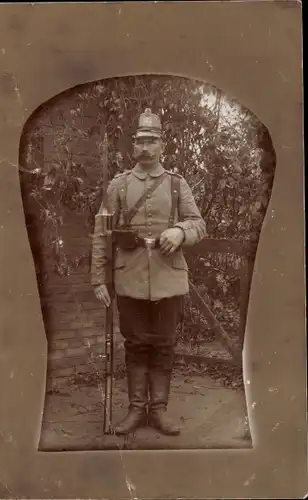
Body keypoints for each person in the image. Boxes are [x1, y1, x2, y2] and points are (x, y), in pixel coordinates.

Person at [91, 108, 207, 436]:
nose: (146, 147)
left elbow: (200, 223)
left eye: (152, 141)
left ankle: (159, 410)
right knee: (135, 344)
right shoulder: (118, 186)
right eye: (140, 141)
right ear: (132, 148)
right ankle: (134, 409)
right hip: (129, 279)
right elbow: (101, 232)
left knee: (164, 344)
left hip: (169, 279)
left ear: (162, 146)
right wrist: (98, 277)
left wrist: (181, 232)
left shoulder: (176, 184)